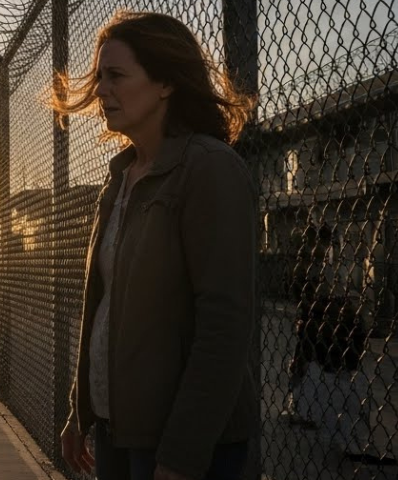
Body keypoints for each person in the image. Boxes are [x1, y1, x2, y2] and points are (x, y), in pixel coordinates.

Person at [52, 11, 258, 480]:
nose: (102, 89)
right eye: (100, 76)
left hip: (179, 444)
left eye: (117, 76)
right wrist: (79, 411)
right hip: (118, 431)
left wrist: (181, 457)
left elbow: (224, 325)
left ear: (165, 83)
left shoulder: (209, 170)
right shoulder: (121, 180)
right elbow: (102, 308)